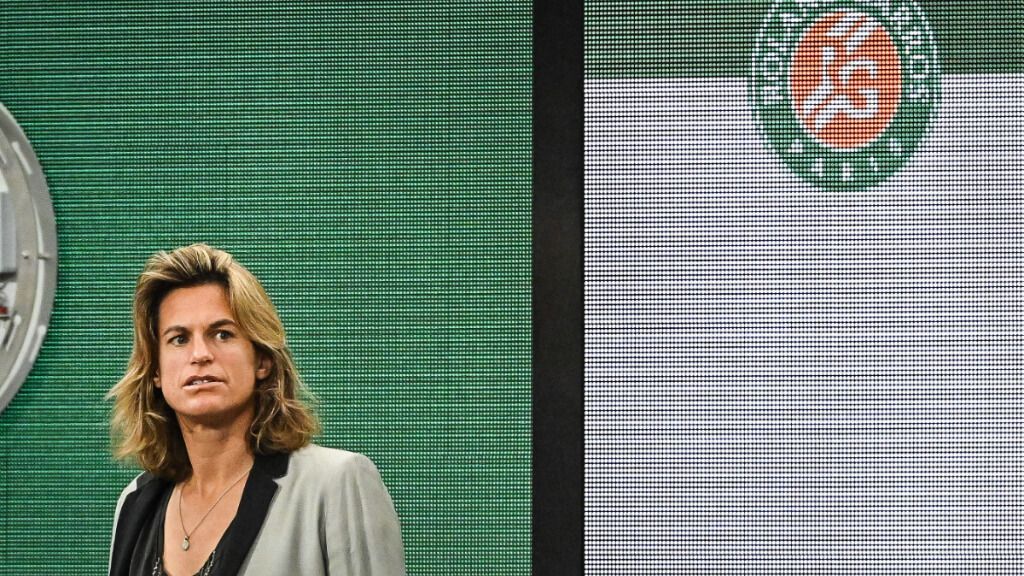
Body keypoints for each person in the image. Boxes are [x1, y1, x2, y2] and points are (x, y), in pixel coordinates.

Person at [107, 244, 405, 576]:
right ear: (156, 372)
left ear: (261, 359)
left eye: (222, 334)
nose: (200, 354)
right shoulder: (135, 503)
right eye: (179, 339)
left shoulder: (335, 482)